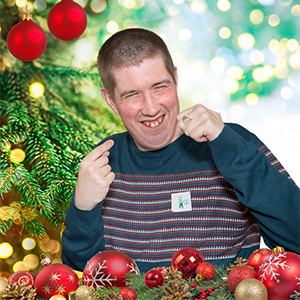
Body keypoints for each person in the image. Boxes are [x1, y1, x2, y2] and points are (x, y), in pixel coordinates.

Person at [61, 28, 300, 273]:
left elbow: (295, 238)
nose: (151, 108)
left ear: (175, 79)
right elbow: (82, 278)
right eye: (132, 94)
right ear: (111, 100)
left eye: (159, 87)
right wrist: (83, 208)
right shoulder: (103, 162)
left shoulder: (232, 141)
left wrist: (228, 147)